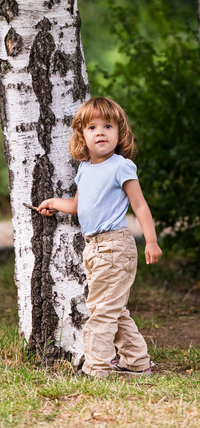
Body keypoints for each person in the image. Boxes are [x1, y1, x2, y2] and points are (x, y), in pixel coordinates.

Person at [37, 96, 162, 378]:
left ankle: (96, 368)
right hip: (93, 248)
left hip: (115, 246)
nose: (101, 132)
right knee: (112, 309)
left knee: (102, 313)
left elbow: (140, 205)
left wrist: (151, 241)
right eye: (92, 127)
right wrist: (54, 203)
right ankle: (137, 362)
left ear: (120, 133)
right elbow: (77, 206)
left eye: (108, 126)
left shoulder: (121, 166)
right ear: (82, 135)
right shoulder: (85, 169)